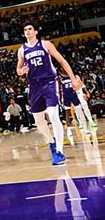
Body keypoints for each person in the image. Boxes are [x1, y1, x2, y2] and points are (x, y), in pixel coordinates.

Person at [16, 23, 80, 165]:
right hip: (34, 85)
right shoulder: (21, 50)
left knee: (53, 115)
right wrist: (21, 71)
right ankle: (52, 142)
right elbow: (18, 70)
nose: (27, 31)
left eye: (30, 29)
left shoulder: (45, 44)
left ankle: (59, 152)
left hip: (49, 82)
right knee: (39, 121)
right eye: (25, 29)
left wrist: (73, 79)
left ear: (36, 31)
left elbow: (62, 61)